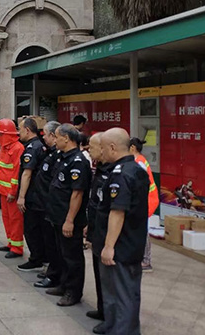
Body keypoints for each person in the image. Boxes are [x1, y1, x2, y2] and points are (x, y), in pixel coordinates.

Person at [93, 128, 149, 335]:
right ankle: (111, 325)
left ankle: (124, 331)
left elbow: (118, 212)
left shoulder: (122, 174)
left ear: (112, 147)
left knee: (124, 293)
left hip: (122, 245)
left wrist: (109, 246)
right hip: (123, 242)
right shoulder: (132, 169)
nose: (101, 152)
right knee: (111, 291)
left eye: (102, 148)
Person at [44, 123, 91, 307]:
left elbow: (77, 193)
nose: (54, 140)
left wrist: (70, 220)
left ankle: (73, 291)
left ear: (66, 138)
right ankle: (63, 285)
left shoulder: (78, 161)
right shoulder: (62, 157)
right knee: (61, 253)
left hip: (69, 218)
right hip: (57, 216)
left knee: (72, 257)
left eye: (56, 137)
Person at [33, 121, 62, 287]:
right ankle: (52, 271)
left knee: (55, 245)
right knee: (49, 242)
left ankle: (55, 276)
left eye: (45, 134)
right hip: (44, 205)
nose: (43, 138)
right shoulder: (50, 153)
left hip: (51, 206)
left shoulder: (60, 156)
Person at [16, 117, 46, 268]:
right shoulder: (40, 145)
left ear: (27, 130)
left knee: (31, 229)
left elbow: (27, 173)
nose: (18, 133)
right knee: (38, 229)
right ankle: (41, 257)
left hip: (33, 196)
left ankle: (36, 259)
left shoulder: (32, 148)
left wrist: (21, 197)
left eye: (20, 130)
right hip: (39, 195)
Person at [85, 133, 109, 324]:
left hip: (108, 234)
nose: (88, 150)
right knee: (99, 275)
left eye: (91, 147)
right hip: (96, 230)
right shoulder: (100, 169)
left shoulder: (114, 172)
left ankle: (110, 317)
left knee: (109, 280)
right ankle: (102, 310)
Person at [0, 119, 25, 257]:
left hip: (12, 193)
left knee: (15, 220)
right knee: (6, 218)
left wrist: (13, 192)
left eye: (0, 134)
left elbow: (16, 173)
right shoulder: (4, 148)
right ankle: (11, 243)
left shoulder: (18, 148)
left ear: (7, 134)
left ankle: (17, 248)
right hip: (3, 191)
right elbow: (1, 170)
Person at [129, 137, 159, 272]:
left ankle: (146, 261)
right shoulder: (138, 160)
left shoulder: (139, 162)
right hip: (145, 199)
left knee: (142, 230)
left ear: (132, 148)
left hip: (147, 200)